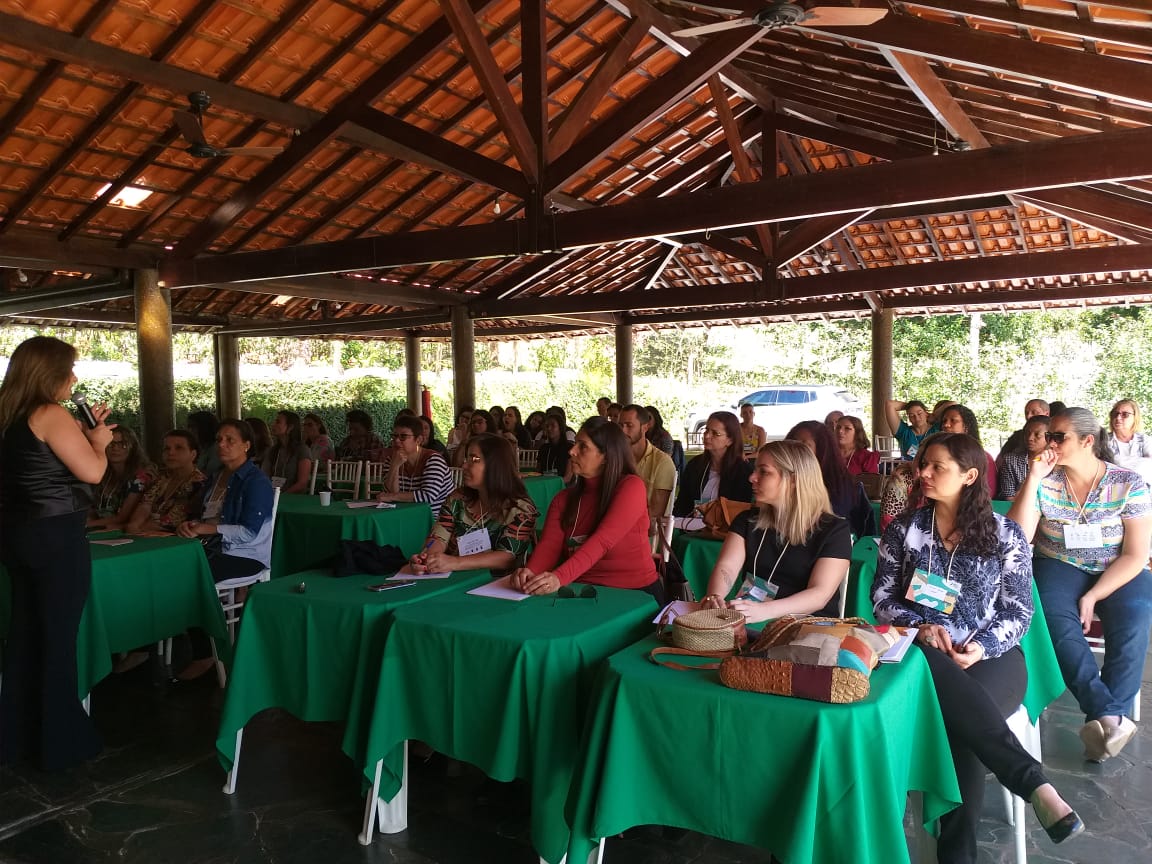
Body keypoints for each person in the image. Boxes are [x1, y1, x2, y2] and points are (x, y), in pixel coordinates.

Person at [873, 433, 1084, 860]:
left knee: (956, 718)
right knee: (955, 717)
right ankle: (1033, 784)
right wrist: (923, 625)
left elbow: (1019, 612)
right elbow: (882, 597)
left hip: (994, 657)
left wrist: (979, 648)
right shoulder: (906, 531)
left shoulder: (1004, 535)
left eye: (937, 467)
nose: (924, 473)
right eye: (923, 464)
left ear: (970, 476)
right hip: (923, 654)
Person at [1007, 407, 1152, 762]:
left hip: (1116, 565)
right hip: (1059, 562)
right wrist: (1033, 478)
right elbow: (1017, 535)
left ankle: (1104, 725)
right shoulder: (1047, 479)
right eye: (1048, 435)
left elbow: (1136, 554)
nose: (1048, 443)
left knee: (1136, 615)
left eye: (1058, 437)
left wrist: (1093, 595)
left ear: (1087, 441)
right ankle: (1107, 715)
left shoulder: (1128, 483)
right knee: (1053, 618)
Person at [0, 336, 112, 771]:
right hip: (55, 535)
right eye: (70, 369)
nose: (75, 378)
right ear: (51, 373)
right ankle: (59, 742)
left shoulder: (7, 413)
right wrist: (98, 442)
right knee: (59, 637)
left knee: (24, 632)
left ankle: (14, 736)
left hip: (14, 535)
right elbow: (93, 471)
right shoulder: (50, 413)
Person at [699, 440, 851, 621]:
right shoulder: (747, 520)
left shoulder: (834, 531)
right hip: (752, 619)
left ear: (793, 480)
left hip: (807, 627)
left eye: (764, 472)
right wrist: (715, 596)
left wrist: (765, 611)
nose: (752, 477)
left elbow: (820, 595)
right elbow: (727, 567)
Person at [511, 418, 661, 599]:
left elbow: (603, 541)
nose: (572, 451)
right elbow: (550, 546)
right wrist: (530, 572)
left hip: (633, 595)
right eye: (575, 444)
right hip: (579, 591)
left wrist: (559, 577)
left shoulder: (631, 487)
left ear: (606, 456)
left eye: (583, 447)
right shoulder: (563, 499)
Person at [176, 419, 276, 680]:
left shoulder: (256, 481)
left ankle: (207, 653)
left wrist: (206, 529)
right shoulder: (216, 477)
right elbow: (206, 516)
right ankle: (151, 644)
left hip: (245, 555)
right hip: (211, 547)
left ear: (246, 445)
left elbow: (248, 531)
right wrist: (192, 525)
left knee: (189, 581)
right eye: (219, 439)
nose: (222, 444)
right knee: (167, 570)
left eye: (230, 440)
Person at [407, 434, 538, 575]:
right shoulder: (457, 500)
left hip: (497, 586)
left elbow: (507, 557)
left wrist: (454, 562)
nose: (464, 465)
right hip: (452, 580)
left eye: (474, 459)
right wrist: (427, 557)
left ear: (496, 465)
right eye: (466, 458)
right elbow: (438, 537)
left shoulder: (521, 509)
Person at [787, 420, 875, 537]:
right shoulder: (785, 479)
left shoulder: (840, 487)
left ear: (822, 450)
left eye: (803, 445)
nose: (795, 451)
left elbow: (827, 530)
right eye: (791, 444)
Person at [673, 411, 753, 522]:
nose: (707, 436)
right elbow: (682, 504)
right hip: (688, 527)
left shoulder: (743, 472)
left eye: (715, 433)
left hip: (724, 532)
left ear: (730, 440)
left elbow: (741, 513)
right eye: (706, 430)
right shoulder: (694, 465)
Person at [125, 430, 207, 533]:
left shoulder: (199, 483)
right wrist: (134, 524)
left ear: (193, 454)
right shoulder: (162, 477)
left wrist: (142, 527)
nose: (171, 453)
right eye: (166, 449)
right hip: (147, 533)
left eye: (179, 448)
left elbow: (174, 520)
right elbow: (145, 504)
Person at [375, 415, 455, 512]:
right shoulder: (391, 460)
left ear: (418, 440)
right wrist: (394, 466)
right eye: (394, 436)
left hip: (437, 520)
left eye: (403, 436)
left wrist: (392, 496)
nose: (396, 440)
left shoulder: (433, 460)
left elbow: (427, 496)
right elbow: (390, 494)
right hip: (407, 515)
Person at [619, 404, 676, 529]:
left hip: (644, 532)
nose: (623, 431)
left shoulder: (662, 462)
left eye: (629, 425)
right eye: (620, 425)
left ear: (645, 427)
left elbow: (655, 516)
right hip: (613, 528)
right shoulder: (614, 458)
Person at [88, 425, 155, 530]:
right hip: (99, 528)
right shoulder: (101, 474)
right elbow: (91, 509)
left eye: (122, 444)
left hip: (125, 531)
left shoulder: (141, 477)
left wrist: (87, 525)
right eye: (110, 444)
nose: (115, 448)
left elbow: (122, 518)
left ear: (132, 447)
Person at [939, 404, 997, 498]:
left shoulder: (983, 457)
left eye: (953, 421)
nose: (946, 425)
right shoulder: (936, 455)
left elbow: (988, 492)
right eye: (944, 421)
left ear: (966, 427)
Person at [996, 415, 1050, 501]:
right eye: (1027, 433)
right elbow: (1009, 497)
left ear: (1049, 438)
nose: (1030, 438)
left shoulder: (1056, 462)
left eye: (1037, 435)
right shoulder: (1011, 460)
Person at [262, 410, 312, 494]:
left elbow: (302, 483)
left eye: (278, 422)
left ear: (290, 427)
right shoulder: (273, 451)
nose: (273, 425)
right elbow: (264, 477)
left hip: (293, 498)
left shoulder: (302, 449)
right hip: (272, 495)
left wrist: (281, 496)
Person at [1106, 399, 1152, 481]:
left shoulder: (1146, 440)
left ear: (1135, 417)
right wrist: (1141, 463)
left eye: (1125, 414)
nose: (1118, 417)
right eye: (1115, 414)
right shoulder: (1103, 441)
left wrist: (1118, 463)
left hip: (1143, 491)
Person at [996, 399, 1050, 464]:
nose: (1028, 416)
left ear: (1046, 413)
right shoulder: (1017, 436)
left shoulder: (1056, 438)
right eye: (1026, 413)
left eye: (1034, 412)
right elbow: (1000, 459)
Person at [537, 413, 572, 478]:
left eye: (553, 425)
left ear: (560, 428)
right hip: (543, 483)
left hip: (561, 485)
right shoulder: (544, 448)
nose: (549, 428)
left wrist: (553, 484)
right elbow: (538, 472)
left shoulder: (569, 448)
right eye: (547, 426)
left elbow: (568, 478)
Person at [187, 410, 221, 477]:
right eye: (188, 427)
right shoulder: (200, 448)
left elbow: (208, 475)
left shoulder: (216, 449)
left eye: (192, 427)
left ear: (204, 428)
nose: (189, 431)